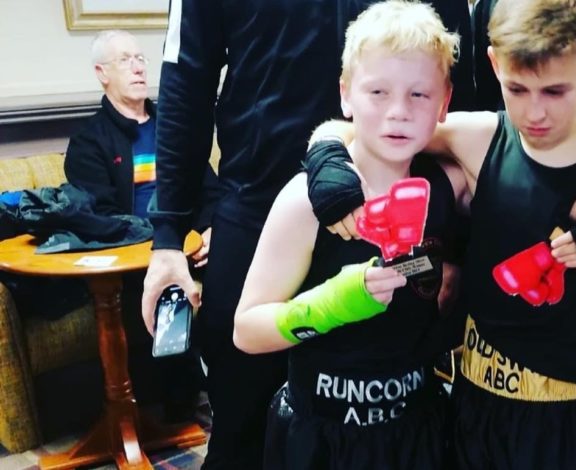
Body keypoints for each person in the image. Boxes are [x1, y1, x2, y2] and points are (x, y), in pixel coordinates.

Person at [305, 0, 576, 466]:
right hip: (477, 400)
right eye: (517, 88)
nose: (535, 112)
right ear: (495, 64)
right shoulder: (477, 137)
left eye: (555, 91)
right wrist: (327, 154)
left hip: (572, 411)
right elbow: (362, 124)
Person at [140, 1, 475, 467]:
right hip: (260, 207)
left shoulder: (441, 175)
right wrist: (169, 236)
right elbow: (186, 79)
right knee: (243, 429)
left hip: (404, 202)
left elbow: (460, 86)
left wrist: (455, 243)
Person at [233, 4, 468, 467]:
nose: (398, 112)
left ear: (444, 102)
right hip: (323, 435)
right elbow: (245, 331)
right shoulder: (305, 200)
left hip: (416, 425)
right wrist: (329, 306)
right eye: (377, 91)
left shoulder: (450, 185)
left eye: (419, 95)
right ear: (346, 95)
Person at [64, 29, 218, 421]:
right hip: (135, 258)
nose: (136, 68)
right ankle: (178, 407)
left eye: (140, 59)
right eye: (124, 61)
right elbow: (98, 217)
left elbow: (209, 189)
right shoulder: (89, 142)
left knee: (240, 259)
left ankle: (233, 391)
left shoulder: (173, 129)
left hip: (193, 244)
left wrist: (210, 230)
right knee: (162, 284)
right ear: (102, 73)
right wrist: (167, 244)